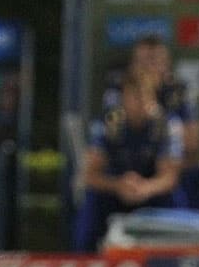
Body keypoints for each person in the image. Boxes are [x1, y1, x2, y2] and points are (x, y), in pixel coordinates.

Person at [74, 72, 184, 252]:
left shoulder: (166, 124)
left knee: (175, 197)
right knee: (92, 200)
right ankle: (87, 262)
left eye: (144, 95)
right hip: (116, 192)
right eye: (133, 96)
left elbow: (169, 176)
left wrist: (145, 188)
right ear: (123, 98)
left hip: (152, 193)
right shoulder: (108, 124)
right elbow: (90, 174)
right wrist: (118, 185)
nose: (139, 102)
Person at [102, 34, 199, 209]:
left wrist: (160, 126)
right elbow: (109, 138)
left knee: (194, 176)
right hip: (127, 168)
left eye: (155, 61)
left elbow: (192, 146)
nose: (149, 67)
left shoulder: (180, 92)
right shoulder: (118, 91)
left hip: (169, 165)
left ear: (167, 64)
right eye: (143, 61)